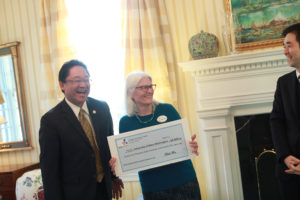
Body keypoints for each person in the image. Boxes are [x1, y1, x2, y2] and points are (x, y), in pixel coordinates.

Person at [39, 60, 123, 200]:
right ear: (62, 84)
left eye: (86, 79)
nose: (83, 85)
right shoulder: (51, 120)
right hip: (74, 194)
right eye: (77, 80)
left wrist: (114, 177)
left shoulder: (102, 108)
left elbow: (109, 147)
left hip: (104, 189)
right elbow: (50, 171)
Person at [110, 71, 201, 200]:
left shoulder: (168, 110)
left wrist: (190, 146)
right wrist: (117, 165)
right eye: (143, 87)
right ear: (130, 92)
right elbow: (128, 156)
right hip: (153, 187)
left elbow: (183, 143)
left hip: (184, 180)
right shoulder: (125, 122)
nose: (149, 91)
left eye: (150, 86)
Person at [270, 22, 300, 199]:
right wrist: (285, 156)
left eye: (289, 45)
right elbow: (276, 121)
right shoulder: (283, 83)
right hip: (288, 172)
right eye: (283, 46)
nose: (284, 51)